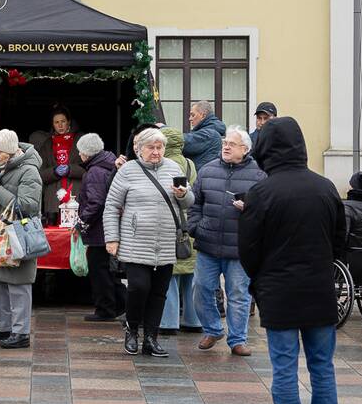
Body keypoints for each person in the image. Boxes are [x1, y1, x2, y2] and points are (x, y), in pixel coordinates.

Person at [238, 117, 343, 404]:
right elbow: (339, 242)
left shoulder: (262, 192)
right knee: (322, 367)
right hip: (319, 290)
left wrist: (260, 279)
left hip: (279, 291)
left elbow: (248, 249)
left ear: (266, 149)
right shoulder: (325, 188)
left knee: (284, 368)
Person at [103, 127, 193, 358]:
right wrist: (112, 238)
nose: (156, 152)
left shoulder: (173, 168)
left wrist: (183, 195)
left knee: (159, 291)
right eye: (151, 147)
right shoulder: (127, 171)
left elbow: (189, 202)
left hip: (166, 242)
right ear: (139, 149)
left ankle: (151, 338)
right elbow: (111, 206)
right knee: (139, 287)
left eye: (159, 147)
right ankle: (132, 331)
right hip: (135, 242)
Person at [188, 126, 263, 355]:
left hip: (240, 248)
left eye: (232, 144)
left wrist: (249, 209)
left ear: (245, 149)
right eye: (224, 143)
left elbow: (266, 211)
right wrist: (195, 227)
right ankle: (212, 329)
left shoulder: (259, 176)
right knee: (200, 289)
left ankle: (237, 340)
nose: (226, 147)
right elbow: (195, 203)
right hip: (208, 244)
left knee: (238, 295)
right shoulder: (207, 170)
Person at [0, 128, 42, 349]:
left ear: (11, 151)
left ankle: (21, 333)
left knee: (18, 284)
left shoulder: (29, 171)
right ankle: (1, 328)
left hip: (17, 235)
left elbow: (28, 206)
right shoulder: (1, 165)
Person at [75, 133, 125, 322]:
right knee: (107, 270)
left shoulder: (95, 171)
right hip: (106, 227)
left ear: (87, 153)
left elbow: (96, 202)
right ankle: (119, 304)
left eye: (80, 151)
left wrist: (82, 222)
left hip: (99, 230)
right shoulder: (107, 164)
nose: (79, 155)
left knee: (99, 270)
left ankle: (106, 309)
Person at [160, 128, 202, 336]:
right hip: (189, 225)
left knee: (170, 276)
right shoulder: (189, 163)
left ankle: (168, 322)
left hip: (172, 224)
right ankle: (193, 320)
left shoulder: (165, 165)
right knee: (190, 276)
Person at [32, 107, 84, 222]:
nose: (60, 125)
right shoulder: (47, 144)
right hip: (53, 199)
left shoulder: (80, 140)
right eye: (56, 122)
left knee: (75, 228)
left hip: (75, 194)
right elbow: (39, 174)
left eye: (63, 121)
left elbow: (88, 169)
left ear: (69, 122)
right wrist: (54, 172)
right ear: (53, 124)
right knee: (54, 229)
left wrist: (71, 169)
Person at [183, 100, 226, 169]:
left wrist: (168, 132)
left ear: (203, 116)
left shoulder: (209, 134)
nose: (190, 119)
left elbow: (185, 142)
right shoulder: (211, 130)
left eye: (193, 115)